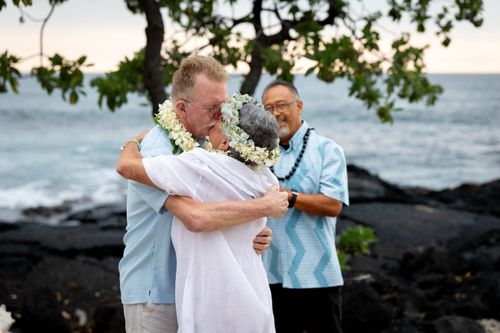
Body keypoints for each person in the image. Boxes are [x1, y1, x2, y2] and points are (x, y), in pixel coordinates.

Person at [118, 56, 287, 333]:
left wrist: (251, 231)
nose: (221, 117)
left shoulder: (206, 145)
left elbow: (221, 207)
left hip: (190, 292)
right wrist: (263, 207)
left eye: (224, 107)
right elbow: (196, 217)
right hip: (155, 292)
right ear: (182, 107)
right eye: (212, 109)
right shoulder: (156, 150)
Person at [261, 80, 349, 333]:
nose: (275, 113)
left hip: (318, 274)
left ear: (298, 106)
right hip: (271, 273)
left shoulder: (327, 150)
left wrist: (289, 197)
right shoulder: (260, 153)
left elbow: (333, 204)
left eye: (281, 105)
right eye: (268, 108)